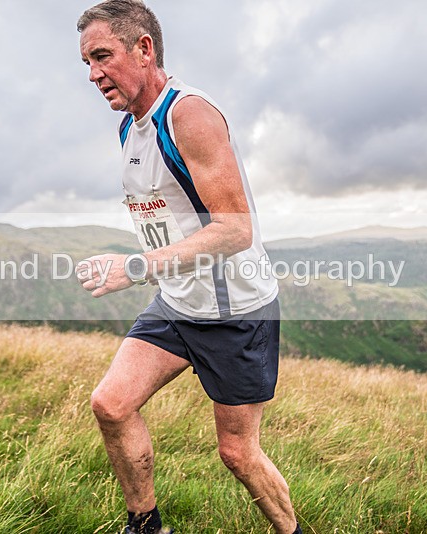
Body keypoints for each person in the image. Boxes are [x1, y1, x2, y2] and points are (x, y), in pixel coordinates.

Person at [76, 1, 301, 533]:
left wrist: (134, 267)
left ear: (144, 48)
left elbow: (234, 229)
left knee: (238, 454)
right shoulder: (130, 129)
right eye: (86, 62)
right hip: (178, 303)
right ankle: (145, 525)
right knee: (110, 404)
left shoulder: (190, 115)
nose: (93, 74)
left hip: (235, 313)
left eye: (103, 56)